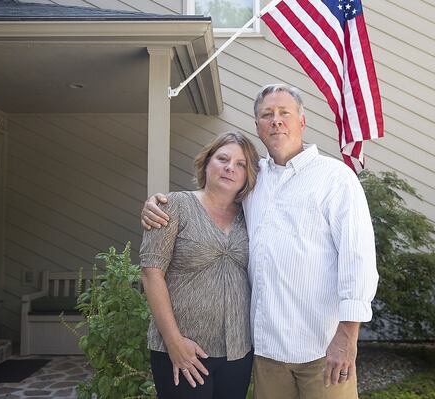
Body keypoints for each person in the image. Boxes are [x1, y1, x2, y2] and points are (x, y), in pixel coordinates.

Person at [142, 84, 379, 399]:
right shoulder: (254, 180)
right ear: (258, 126)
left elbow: (358, 260)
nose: (276, 121)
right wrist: (155, 205)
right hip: (267, 352)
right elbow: (208, 207)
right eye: (267, 115)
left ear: (302, 122)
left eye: (284, 113)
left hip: (321, 347)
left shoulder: (336, 179)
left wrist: (347, 337)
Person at [139, 131, 260, 399]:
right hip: (183, 350)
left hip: (237, 350)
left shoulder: (252, 214)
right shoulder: (173, 206)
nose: (230, 168)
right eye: (223, 159)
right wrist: (174, 342)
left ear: (248, 175)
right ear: (206, 163)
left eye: (241, 164)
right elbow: (151, 273)